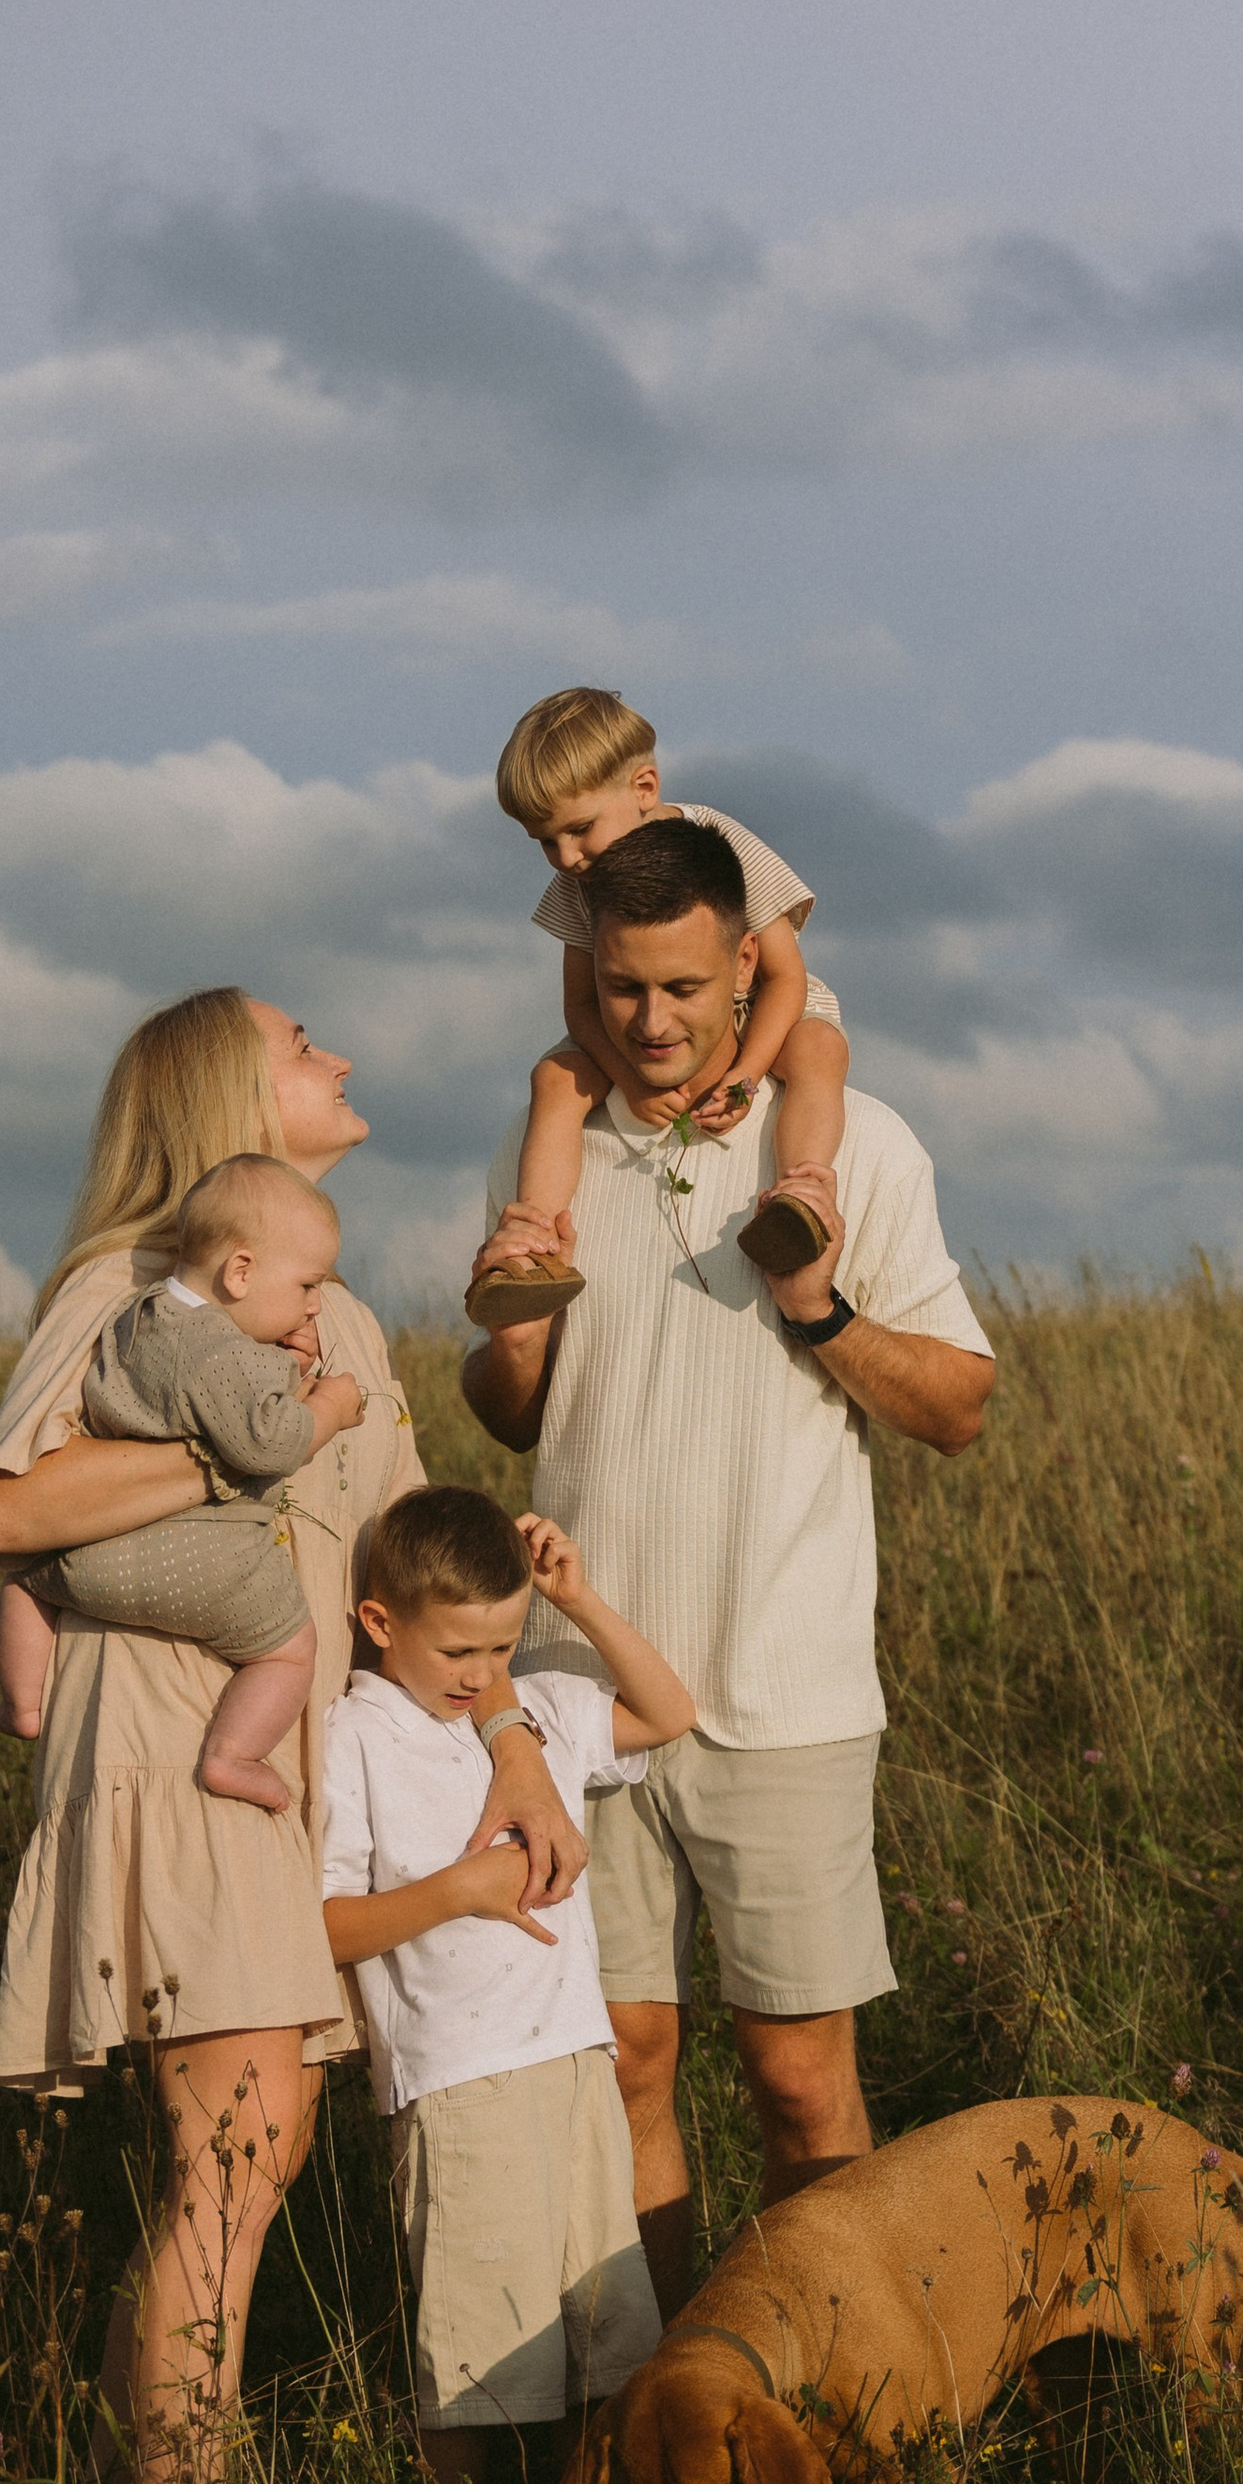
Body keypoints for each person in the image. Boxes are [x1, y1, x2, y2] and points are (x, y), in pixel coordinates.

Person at [0, 988, 588, 2484]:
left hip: (287, 1766)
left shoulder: (347, 1321)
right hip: (183, 1753)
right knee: (236, 2159)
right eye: (307, 1046)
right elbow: (8, 1512)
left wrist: (510, 1735)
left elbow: (421, 1563)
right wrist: (246, 1438)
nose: (344, 1057)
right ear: (227, 1100)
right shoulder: (135, 1292)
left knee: (243, 2161)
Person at [462, 813, 996, 2326]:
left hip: (786, 1691)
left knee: (799, 2080)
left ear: (743, 964)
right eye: (622, 988)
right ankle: (660, 2421)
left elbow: (959, 1406)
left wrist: (820, 1310)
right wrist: (512, 1348)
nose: (653, 1022)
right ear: (588, 974)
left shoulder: (850, 1144)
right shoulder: (557, 1152)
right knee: (621, 2067)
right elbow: (511, 1413)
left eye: (686, 987)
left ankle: (840, 2399)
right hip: (584, 1703)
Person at [319, 1487, 690, 2484]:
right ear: (381, 1624)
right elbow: (329, 1923)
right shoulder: (356, 1736)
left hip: (573, 2063)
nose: (481, 1672)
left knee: (607, 2343)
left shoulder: (534, 1713)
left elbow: (668, 1711)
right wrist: (457, 1892)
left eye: (502, 1641)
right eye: (458, 1648)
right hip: (458, 2081)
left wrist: (576, 1601)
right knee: (473, 2361)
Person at [467, 685, 851, 1329]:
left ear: (644, 786)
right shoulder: (578, 884)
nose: (567, 857)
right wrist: (624, 1079)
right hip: (629, 1038)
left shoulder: (720, 844)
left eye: (579, 829)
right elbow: (582, 1005)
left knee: (818, 1049)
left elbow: (784, 977)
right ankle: (530, 1249)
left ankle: (801, 1198)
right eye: (545, 841)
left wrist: (748, 1071)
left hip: (757, 1012)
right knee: (555, 1079)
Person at [0, 1154, 364, 1813]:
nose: (313, 1305)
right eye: (307, 1286)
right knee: (290, 1652)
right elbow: (266, 1441)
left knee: (24, 1578)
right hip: (211, 1568)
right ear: (240, 1271)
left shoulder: (132, 1318)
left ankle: (23, 1701)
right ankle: (233, 1755)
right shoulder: (222, 1351)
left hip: (98, 1561)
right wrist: (327, 1408)